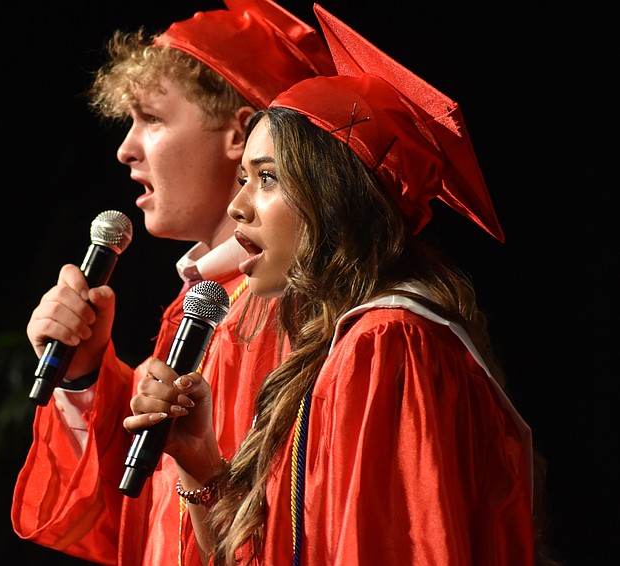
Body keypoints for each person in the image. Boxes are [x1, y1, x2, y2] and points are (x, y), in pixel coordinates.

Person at [126, 4, 546, 564]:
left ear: (335, 197)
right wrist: (201, 461)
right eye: (245, 177)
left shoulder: (389, 343)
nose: (238, 205)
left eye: (268, 179)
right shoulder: (333, 347)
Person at [11, 2, 335, 564]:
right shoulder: (204, 303)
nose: (125, 148)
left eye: (152, 119)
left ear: (240, 133)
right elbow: (134, 529)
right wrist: (84, 376)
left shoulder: (286, 312)